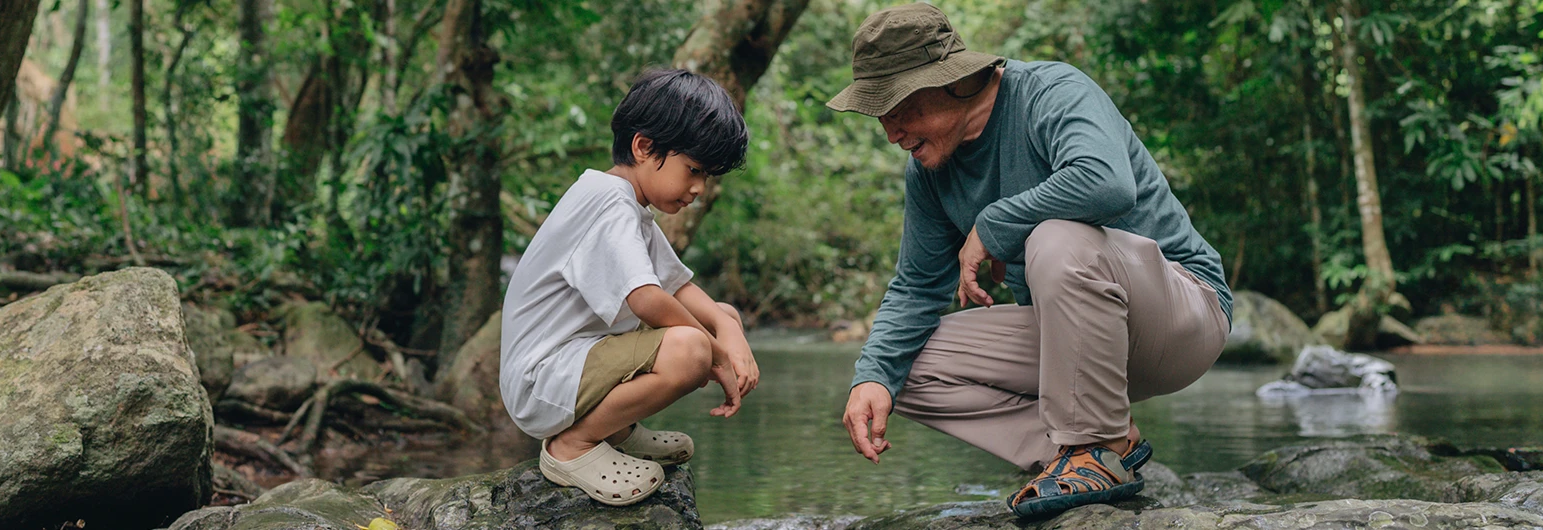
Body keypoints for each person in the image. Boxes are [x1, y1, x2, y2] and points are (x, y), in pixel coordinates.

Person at [825, 3, 1233, 518]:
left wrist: (992, 225)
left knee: (1056, 239)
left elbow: (1107, 182)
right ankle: (1093, 452)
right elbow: (914, 289)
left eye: (899, 109)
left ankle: (1093, 443)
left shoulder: (1050, 91)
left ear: (949, 81)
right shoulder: (927, 169)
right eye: (880, 114)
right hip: (1072, 343)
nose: (891, 132)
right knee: (899, 366)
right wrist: (871, 378)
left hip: (1181, 314)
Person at [499, 68, 760, 506]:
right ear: (644, 146)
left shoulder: (626, 204)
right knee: (691, 349)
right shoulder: (608, 202)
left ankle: (615, 430)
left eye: (708, 177)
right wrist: (714, 352)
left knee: (720, 316)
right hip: (541, 381)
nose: (699, 188)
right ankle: (574, 445)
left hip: (570, 368)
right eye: (693, 170)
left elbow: (678, 286)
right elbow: (646, 299)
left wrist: (728, 328)